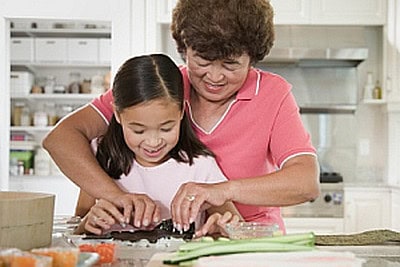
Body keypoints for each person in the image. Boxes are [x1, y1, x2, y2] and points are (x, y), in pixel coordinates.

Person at [43, 0, 320, 234]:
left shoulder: (273, 94)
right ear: (184, 48)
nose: (214, 77)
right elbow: (62, 138)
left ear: (253, 58)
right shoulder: (164, 88)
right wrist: (116, 198)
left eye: (231, 64)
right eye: (202, 60)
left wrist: (222, 191)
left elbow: (305, 182)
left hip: (251, 236)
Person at [73, 54, 240, 236]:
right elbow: (76, 233)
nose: (153, 143)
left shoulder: (201, 166)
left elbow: (238, 231)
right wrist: (88, 223)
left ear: (181, 112)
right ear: (118, 115)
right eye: (138, 131)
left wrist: (220, 231)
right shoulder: (100, 156)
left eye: (166, 128)